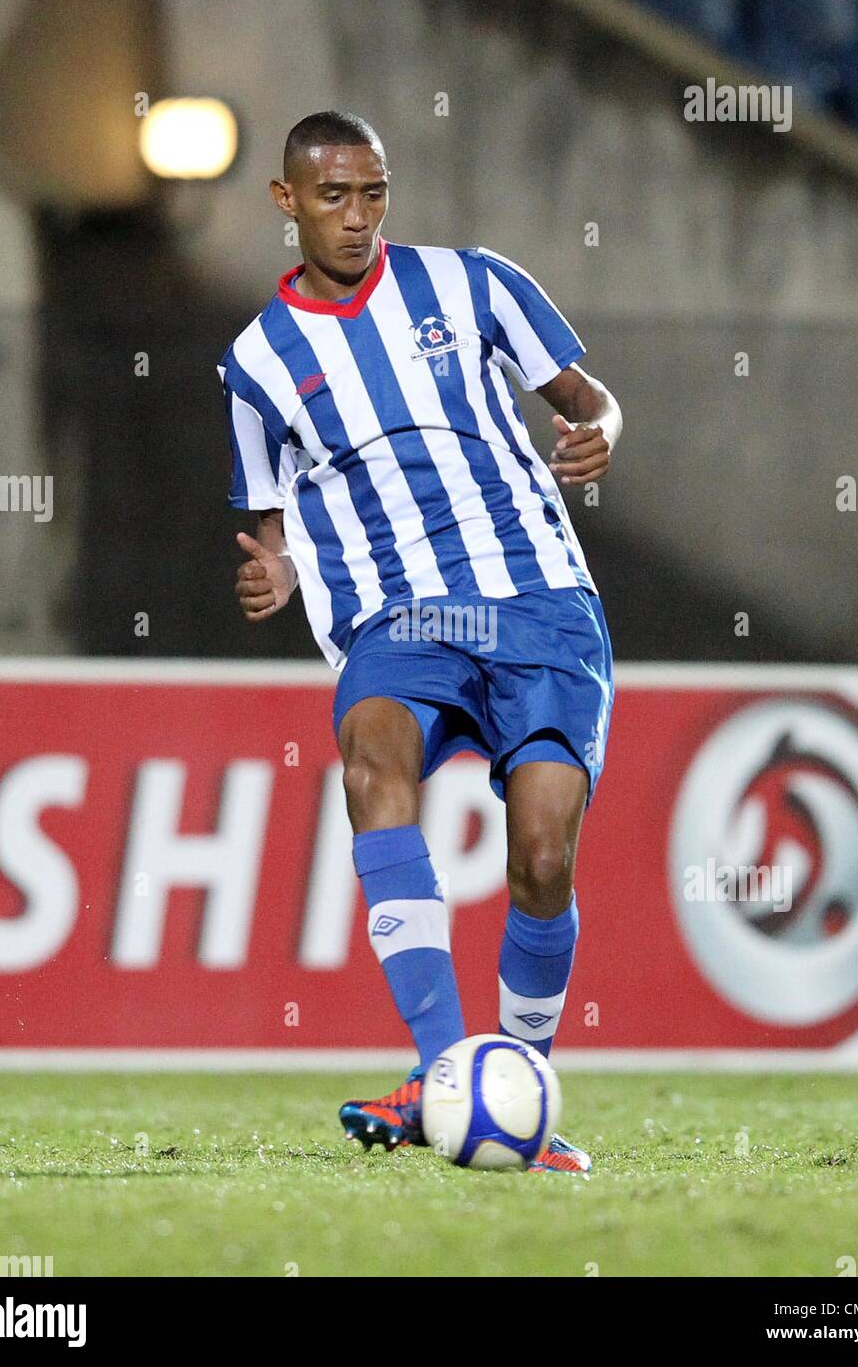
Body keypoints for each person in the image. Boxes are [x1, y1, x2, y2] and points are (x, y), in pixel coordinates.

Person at [220, 111, 622, 1174]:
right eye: (333, 196)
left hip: (535, 597)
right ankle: (446, 1065)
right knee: (371, 762)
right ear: (286, 201)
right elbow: (268, 519)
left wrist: (594, 438)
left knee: (540, 854)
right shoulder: (258, 362)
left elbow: (591, 400)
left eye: (373, 193)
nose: (356, 217)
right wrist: (274, 568)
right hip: (399, 615)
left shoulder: (475, 283)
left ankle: (517, 1084)